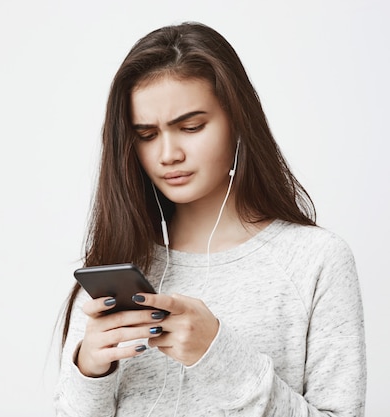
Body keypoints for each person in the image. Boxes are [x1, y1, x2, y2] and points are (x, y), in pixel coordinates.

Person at [54, 21, 366, 416]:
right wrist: (91, 371)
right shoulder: (119, 263)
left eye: (191, 127)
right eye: (147, 135)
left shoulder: (315, 261)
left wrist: (217, 354)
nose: (168, 154)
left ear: (237, 122)